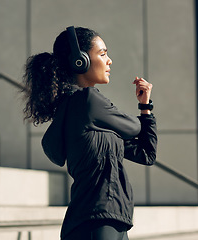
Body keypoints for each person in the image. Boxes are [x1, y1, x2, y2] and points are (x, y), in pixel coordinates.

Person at [22, 26, 157, 240]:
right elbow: (135, 127)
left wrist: (145, 106)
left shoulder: (79, 113)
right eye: (103, 54)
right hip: (98, 222)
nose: (109, 60)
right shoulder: (88, 101)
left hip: (106, 221)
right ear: (80, 61)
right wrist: (141, 116)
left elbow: (146, 154)